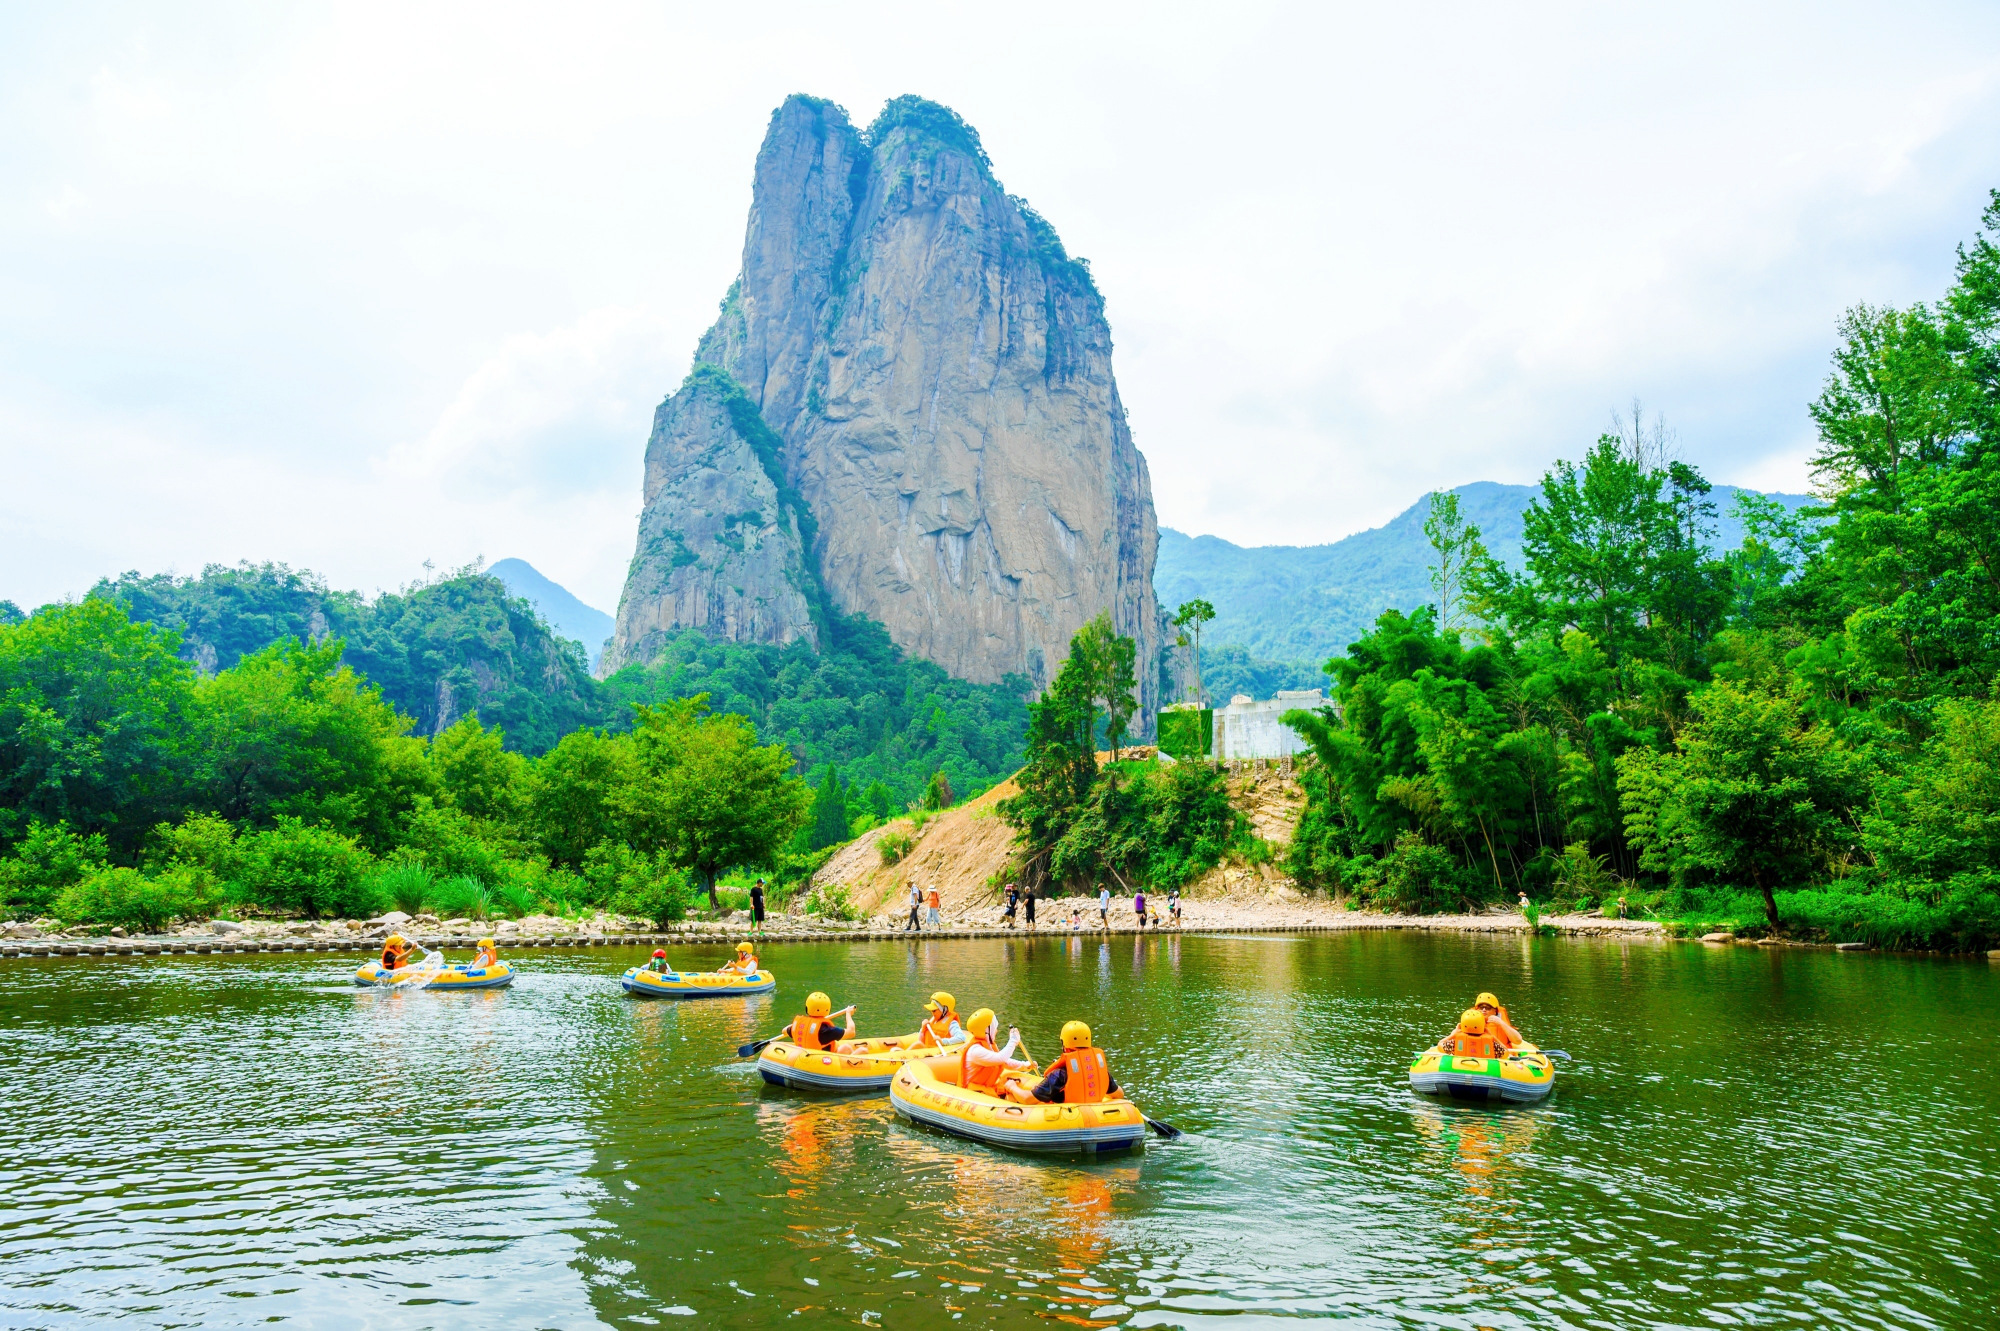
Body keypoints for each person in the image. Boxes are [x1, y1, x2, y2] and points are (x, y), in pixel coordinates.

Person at [1005, 1020, 1119, 1105]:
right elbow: (1119, 1094)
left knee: (1011, 1098)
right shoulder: (1100, 1071)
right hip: (1093, 1115)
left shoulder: (1059, 1075)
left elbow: (1027, 1099)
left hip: (1069, 1118)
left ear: (1064, 1044)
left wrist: (1012, 1087)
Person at [957, 1008, 1032, 1095]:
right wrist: (1013, 1040)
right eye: (994, 1028)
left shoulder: (989, 1045)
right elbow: (1001, 1058)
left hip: (985, 1089)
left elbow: (1004, 1062)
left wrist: (1025, 1065)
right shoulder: (976, 1050)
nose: (996, 1031)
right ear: (987, 1030)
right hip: (971, 1093)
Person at [788, 991, 857, 1051]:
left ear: (807, 1008)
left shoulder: (798, 1025)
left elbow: (784, 1031)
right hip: (821, 1059)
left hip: (802, 1055)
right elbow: (851, 1032)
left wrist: (796, 1024)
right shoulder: (827, 1030)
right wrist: (848, 1014)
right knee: (849, 1048)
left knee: (843, 1047)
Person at [1437, 1009, 1501, 1058]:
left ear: (1462, 1025)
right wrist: (1492, 1037)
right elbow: (1505, 1052)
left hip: (1460, 1067)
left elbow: (1440, 1044)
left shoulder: (1453, 1043)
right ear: (1483, 1026)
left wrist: (1453, 1034)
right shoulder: (1493, 1045)